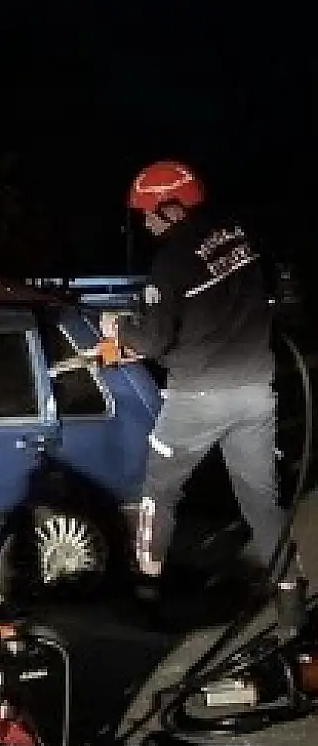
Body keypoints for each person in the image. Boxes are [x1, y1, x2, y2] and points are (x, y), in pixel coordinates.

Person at [100, 160, 297, 605]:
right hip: (255, 393)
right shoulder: (237, 236)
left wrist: (117, 328)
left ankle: (147, 587)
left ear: (172, 208)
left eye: (149, 212)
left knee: (159, 491)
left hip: (197, 400)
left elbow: (151, 340)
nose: (146, 221)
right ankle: (291, 597)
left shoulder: (171, 260)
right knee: (261, 501)